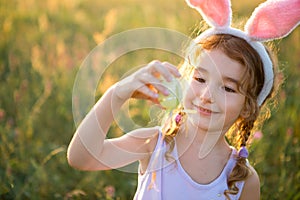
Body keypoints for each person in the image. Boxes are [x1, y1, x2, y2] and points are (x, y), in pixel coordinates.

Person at [67, 0, 299, 199]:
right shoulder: (153, 145)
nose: (207, 96)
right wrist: (117, 93)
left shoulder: (243, 181)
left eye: (228, 88)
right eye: (199, 78)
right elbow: (81, 157)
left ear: (248, 107)